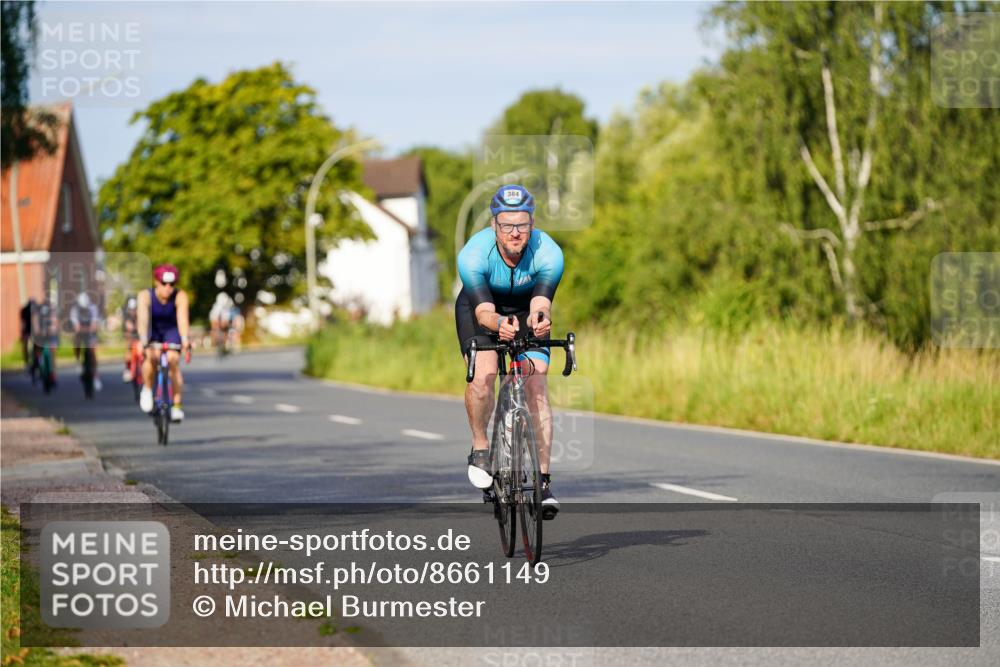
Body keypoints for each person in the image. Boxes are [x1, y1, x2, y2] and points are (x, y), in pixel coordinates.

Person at [455, 184, 564, 518]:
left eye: (523, 224)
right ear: (494, 226)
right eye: (507, 225)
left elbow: (542, 300)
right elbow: (484, 313)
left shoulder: (549, 252)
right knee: (485, 373)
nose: (515, 233)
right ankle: (480, 447)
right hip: (481, 307)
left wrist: (540, 317)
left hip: (525, 307)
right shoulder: (473, 255)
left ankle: (543, 484)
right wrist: (497, 323)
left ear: (532, 223)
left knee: (537, 383)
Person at [137, 264, 191, 422]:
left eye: (172, 284)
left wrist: (185, 339)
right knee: (151, 357)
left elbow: (182, 319)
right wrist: (143, 340)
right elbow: (143, 319)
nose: (168, 288)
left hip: (171, 330)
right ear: (156, 282)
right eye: (164, 283)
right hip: (152, 330)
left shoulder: (180, 296)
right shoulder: (145, 295)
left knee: (173, 359)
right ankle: (147, 389)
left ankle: (176, 406)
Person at [69, 292, 102, 391]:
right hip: (81, 334)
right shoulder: (74, 310)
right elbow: (76, 328)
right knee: (76, 341)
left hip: (90, 334)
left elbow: (94, 325)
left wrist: (89, 328)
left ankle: (96, 377)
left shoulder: (93, 309)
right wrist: (83, 329)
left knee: (93, 352)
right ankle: (78, 360)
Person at [121, 295, 140, 382]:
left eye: (134, 309)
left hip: (139, 336)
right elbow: (126, 329)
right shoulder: (126, 316)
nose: (133, 312)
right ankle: (127, 368)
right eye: (131, 310)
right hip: (130, 336)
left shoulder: (141, 314)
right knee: (128, 346)